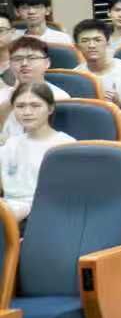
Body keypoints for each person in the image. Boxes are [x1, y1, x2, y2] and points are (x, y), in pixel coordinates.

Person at [0, 82, 74, 223]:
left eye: (35, 106)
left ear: (50, 109)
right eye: (20, 106)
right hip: (8, 213)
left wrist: (27, 209)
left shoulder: (66, 146)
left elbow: (67, 197)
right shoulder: (11, 144)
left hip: (44, 216)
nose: (27, 112)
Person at [72, 18, 121, 110]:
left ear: (108, 42)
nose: (92, 45)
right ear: (77, 47)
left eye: (97, 40)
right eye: (85, 41)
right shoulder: (75, 76)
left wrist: (119, 103)